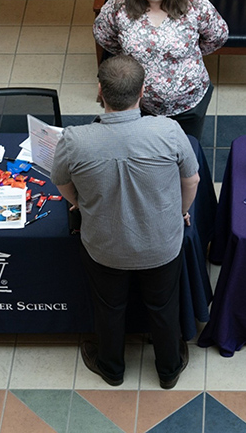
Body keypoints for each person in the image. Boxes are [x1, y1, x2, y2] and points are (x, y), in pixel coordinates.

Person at [52, 55, 201, 389]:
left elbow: (61, 184)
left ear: (100, 90)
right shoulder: (168, 130)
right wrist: (179, 212)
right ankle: (168, 369)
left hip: (104, 248)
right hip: (161, 245)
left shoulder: (75, 139)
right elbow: (191, 181)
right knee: (163, 306)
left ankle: (112, 368)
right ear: (142, 91)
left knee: (109, 307)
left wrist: (82, 206)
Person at [93, 0, 228, 140]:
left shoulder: (195, 3)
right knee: (145, 155)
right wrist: (129, 54)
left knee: (187, 151)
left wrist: (189, 54)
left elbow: (218, 35)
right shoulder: (119, 5)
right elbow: (103, 34)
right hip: (140, 106)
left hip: (188, 103)